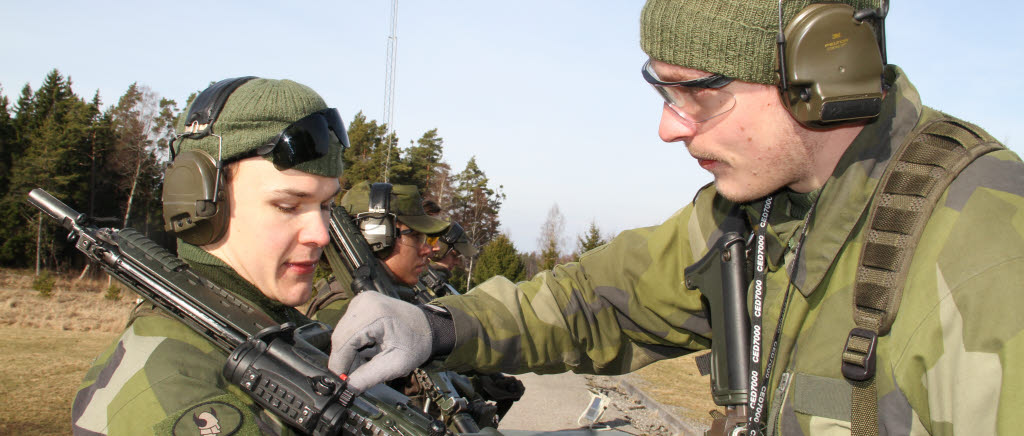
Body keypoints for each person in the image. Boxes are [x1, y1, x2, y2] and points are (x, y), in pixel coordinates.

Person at [328, 0, 1024, 434]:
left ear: (819, 73)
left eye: (697, 94)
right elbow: (597, 302)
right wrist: (439, 325)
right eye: (662, 91)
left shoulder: (987, 253)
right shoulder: (753, 217)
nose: (668, 127)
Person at [71, 77, 346, 435]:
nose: (321, 234)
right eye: (288, 205)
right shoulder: (179, 393)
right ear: (201, 203)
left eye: (326, 205)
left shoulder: (275, 330)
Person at [306, 181, 449, 326]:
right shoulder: (345, 317)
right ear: (376, 236)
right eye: (416, 237)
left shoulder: (396, 296)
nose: (428, 250)